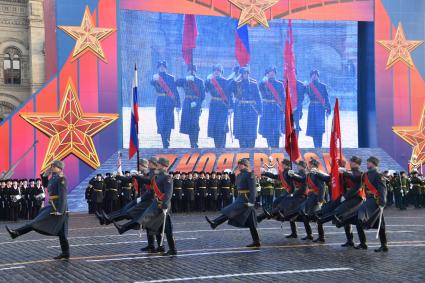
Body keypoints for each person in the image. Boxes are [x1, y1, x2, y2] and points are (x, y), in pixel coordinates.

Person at [5, 160, 70, 260]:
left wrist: (60, 210)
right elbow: (46, 185)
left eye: (53, 166)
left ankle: (16, 233)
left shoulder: (62, 178)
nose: (51, 167)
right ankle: (66, 253)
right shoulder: (54, 177)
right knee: (62, 233)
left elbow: (63, 196)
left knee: (36, 222)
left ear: (59, 168)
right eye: (51, 165)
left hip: (58, 208)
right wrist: (45, 175)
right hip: (54, 206)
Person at [114, 157, 177, 256]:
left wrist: (165, 205)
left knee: (166, 228)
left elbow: (168, 193)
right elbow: (148, 182)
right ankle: (162, 247)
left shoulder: (167, 177)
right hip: (157, 204)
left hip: (164, 206)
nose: (158, 165)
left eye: (159, 164)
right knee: (158, 227)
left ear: (164, 166)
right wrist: (136, 176)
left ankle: (172, 249)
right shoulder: (158, 176)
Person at [206, 158, 260, 247]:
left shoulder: (250, 174)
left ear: (245, 165)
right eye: (238, 164)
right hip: (240, 198)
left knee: (230, 211)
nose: (238, 165)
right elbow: (234, 184)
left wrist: (251, 202)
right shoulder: (239, 175)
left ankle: (215, 222)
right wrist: (232, 173)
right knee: (252, 222)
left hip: (245, 200)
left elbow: (253, 190)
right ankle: (256, 241)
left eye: (240, 164)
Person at [328, 157, 365, 247]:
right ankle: (350, 240)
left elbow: (356, 181)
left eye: (353, 162)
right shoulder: (348, 172)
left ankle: (363, 243)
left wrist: (345, 173)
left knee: (358, 221)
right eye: (351, 161)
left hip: (357, 198)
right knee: (346, 219)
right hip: (348, 197)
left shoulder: (361, 173)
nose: (351, 163)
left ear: (357, 164)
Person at [257, 159, 299, 238]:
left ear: (286, 165)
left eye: (282, 164)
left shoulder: (290, 172)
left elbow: (293, 183)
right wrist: (265, 173)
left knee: (280, 204)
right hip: (287, 192)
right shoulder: (284, 172)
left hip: (291, 193)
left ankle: (271, 216)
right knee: (276, 202)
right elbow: (275, 176)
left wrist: (292, 193)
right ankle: (293, 232)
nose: (281, 165)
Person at [355, 156, 388, 252]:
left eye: (368, 162)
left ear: (373, 163)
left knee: (361, 216)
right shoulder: (366, 174)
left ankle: (383, 245)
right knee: (379, 224)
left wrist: (382, 203)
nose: (367, 164)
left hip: (375, 201)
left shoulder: (379, 175)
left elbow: (383, 190)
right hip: (368, 200)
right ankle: (363, 243)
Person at [297, 158, 329, 243]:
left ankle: (321, 236)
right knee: (303, 214)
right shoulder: (309, 174)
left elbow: (321, 188)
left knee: (317, 217)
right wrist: (294, 175)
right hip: (310, 197)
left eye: (310, 164)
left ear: (314, 166)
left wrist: (320, 200)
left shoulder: (317, 174)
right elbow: (302, 180)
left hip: (316, 198)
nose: (308, 166)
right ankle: (309, 234)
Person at [150, 61, 181, 149]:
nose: (162, 68)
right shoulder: (156, 77)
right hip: (160, 101)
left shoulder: (171, 78)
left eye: (163, 66)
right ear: (158, 68)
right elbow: (151, 83)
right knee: (161, 121)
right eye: (160, 67)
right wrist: (153, 79)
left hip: (169, 101)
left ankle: (166, 141)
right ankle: (164, 140)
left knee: (168, 122)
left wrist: (178, 104)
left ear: (166, 68)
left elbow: (175, 91)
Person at [230, 67, 262, 148]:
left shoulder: (253, 84)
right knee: (241, 132)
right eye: (243, 73)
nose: (245, 75)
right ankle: (243, 150)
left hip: (251, 110)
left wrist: (260, 110)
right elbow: (229, 89)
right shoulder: (237, 84)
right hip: (240, 111)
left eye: (246, 73)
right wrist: (236, 78)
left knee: (251, 132)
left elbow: (258, 98)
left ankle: (251, 149)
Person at [176, 65, 205, 148]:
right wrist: (186, 78)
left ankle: (195, 142)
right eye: (190, 70)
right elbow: (177, 82)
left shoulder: (199, 81)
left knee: (195, 123)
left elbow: (202, 96)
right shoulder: (185, 80)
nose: (191, 72)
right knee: (188, 123)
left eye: (193, 70)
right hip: (187, 103)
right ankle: (191, 142)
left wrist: (197, 103)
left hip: (196, 104)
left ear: (195, 71)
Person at [205, 64, 233, 148]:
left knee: (222, 127)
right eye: (215, 70)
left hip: (222, 106)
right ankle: (217, 146)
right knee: (214, 126)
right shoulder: (210, 81)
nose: (217, 72)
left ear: (221, 72)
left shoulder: (225, 81)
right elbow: (205, 90)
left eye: (218, 70)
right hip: (213, 106)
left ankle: (222, 146)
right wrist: (207, 80)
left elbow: (229, 95)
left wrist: (231, 107)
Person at [258, 66, 285, 148]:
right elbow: (259, 90)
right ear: (267, 73)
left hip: (277, 108)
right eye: (270, 72)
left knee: (276, 129)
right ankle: (270, 146)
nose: (272, 73)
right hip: (267, 108)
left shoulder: (280, 84)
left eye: (273, 72)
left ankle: (276, 147)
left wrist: (283, 109)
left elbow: (283, 98)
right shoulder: (263, 83)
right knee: (268, 129)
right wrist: (263, 82)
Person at [305, 70, 331, 148]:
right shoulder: (308, 86)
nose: (314, 76)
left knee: (319, 129)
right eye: (313, 75)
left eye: (316, 75)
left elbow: (326, 98)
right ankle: (316, 146)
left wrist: (328, 109)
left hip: (320, 109)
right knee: (313, 129)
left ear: (318, 76)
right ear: (311, 76)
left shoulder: (323, 86)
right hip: (312, 108)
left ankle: (319, 146)